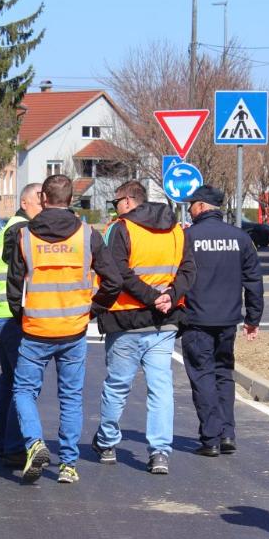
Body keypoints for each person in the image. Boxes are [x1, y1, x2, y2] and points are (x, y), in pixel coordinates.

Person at [5, 174, 120, 485]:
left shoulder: (25, 235)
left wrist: (22, 316)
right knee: (70, 397)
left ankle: (34, 442)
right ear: (71, 199)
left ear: (43, 198)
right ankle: (68, 465)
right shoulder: (88, 235)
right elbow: (113, 281)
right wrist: (92, 310)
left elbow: (13, 287)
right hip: (73, 329)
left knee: (24, 391)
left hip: (36, 329)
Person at [91, 179, 195, 475]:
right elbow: (188, 269)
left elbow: (118, 273)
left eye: (115, 203)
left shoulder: (121, 228)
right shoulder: (176, 230)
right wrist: (169, 297)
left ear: (127, 201)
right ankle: (160, 452)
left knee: (117, 385)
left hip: (126, 320)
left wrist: (151, 297)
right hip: (164, 322)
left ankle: (107, 443)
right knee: (160, 389)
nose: (115, 208)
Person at [180, 185, 264, 457]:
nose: (190, 210)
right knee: (224, 374)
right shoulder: (240, 238)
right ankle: (227, 433)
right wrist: (253, 318)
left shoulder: (187, 237)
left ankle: (211, 438)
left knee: (203, 376)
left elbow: (177, 277)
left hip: (196, 319)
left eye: (192, 205)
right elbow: (254, 280)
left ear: (202, 206)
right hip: (228, 320)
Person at [0, 183, 42, 466]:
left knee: (9, 381)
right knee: (23, 384)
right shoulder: (21, 229)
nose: (44, 206)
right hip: (12, 317)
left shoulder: (13, 226)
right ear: (24, 202)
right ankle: (12, 447)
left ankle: (5, 444)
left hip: (1, 314)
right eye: (39, 201)